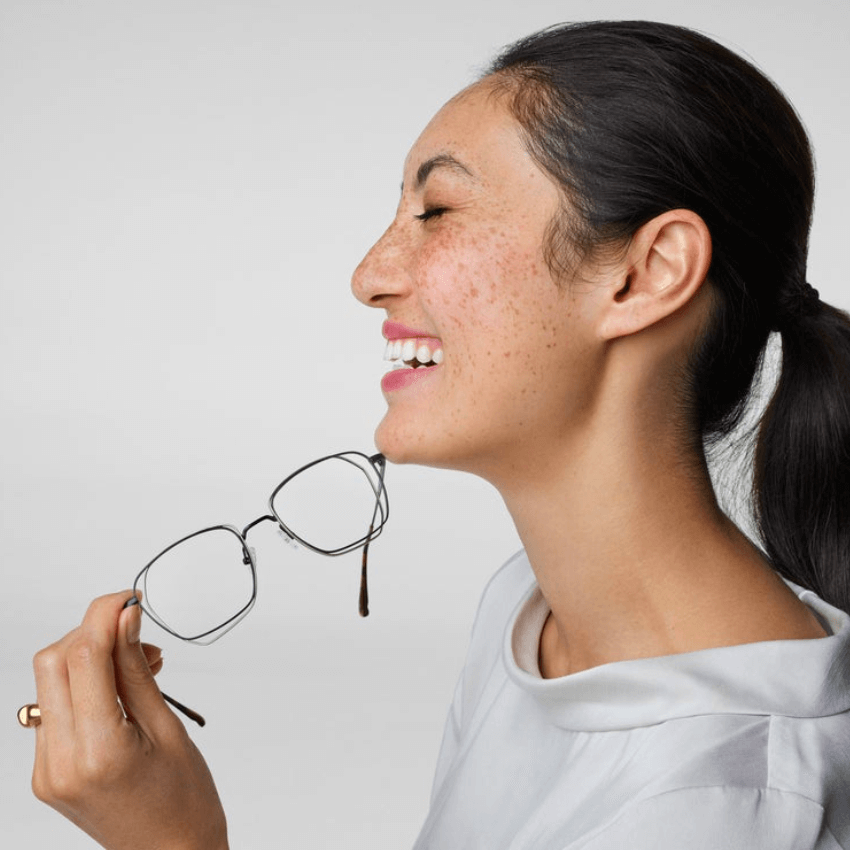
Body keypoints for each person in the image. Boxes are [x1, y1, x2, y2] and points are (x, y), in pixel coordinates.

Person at [23, 20, 850, 849]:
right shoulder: (528, 610)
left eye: (437, 209)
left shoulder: (723, 807)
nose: (370, 275)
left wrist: (171, 842)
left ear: (647, 273)